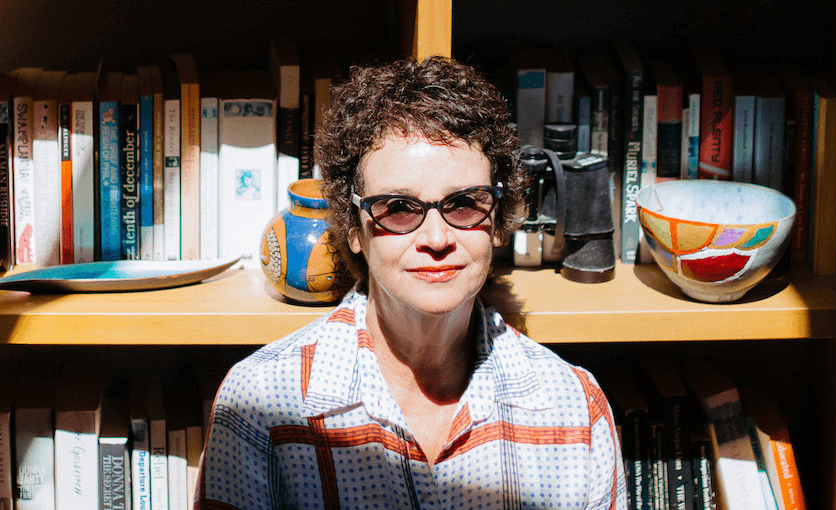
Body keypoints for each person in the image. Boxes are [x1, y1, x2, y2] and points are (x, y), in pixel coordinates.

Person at [196, 56, 625, 509]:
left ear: (499, 223)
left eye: (464, 205)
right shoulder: (258, 406)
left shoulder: (576, 410)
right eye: (399, 208)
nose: (437, 238)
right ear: (353, 230)